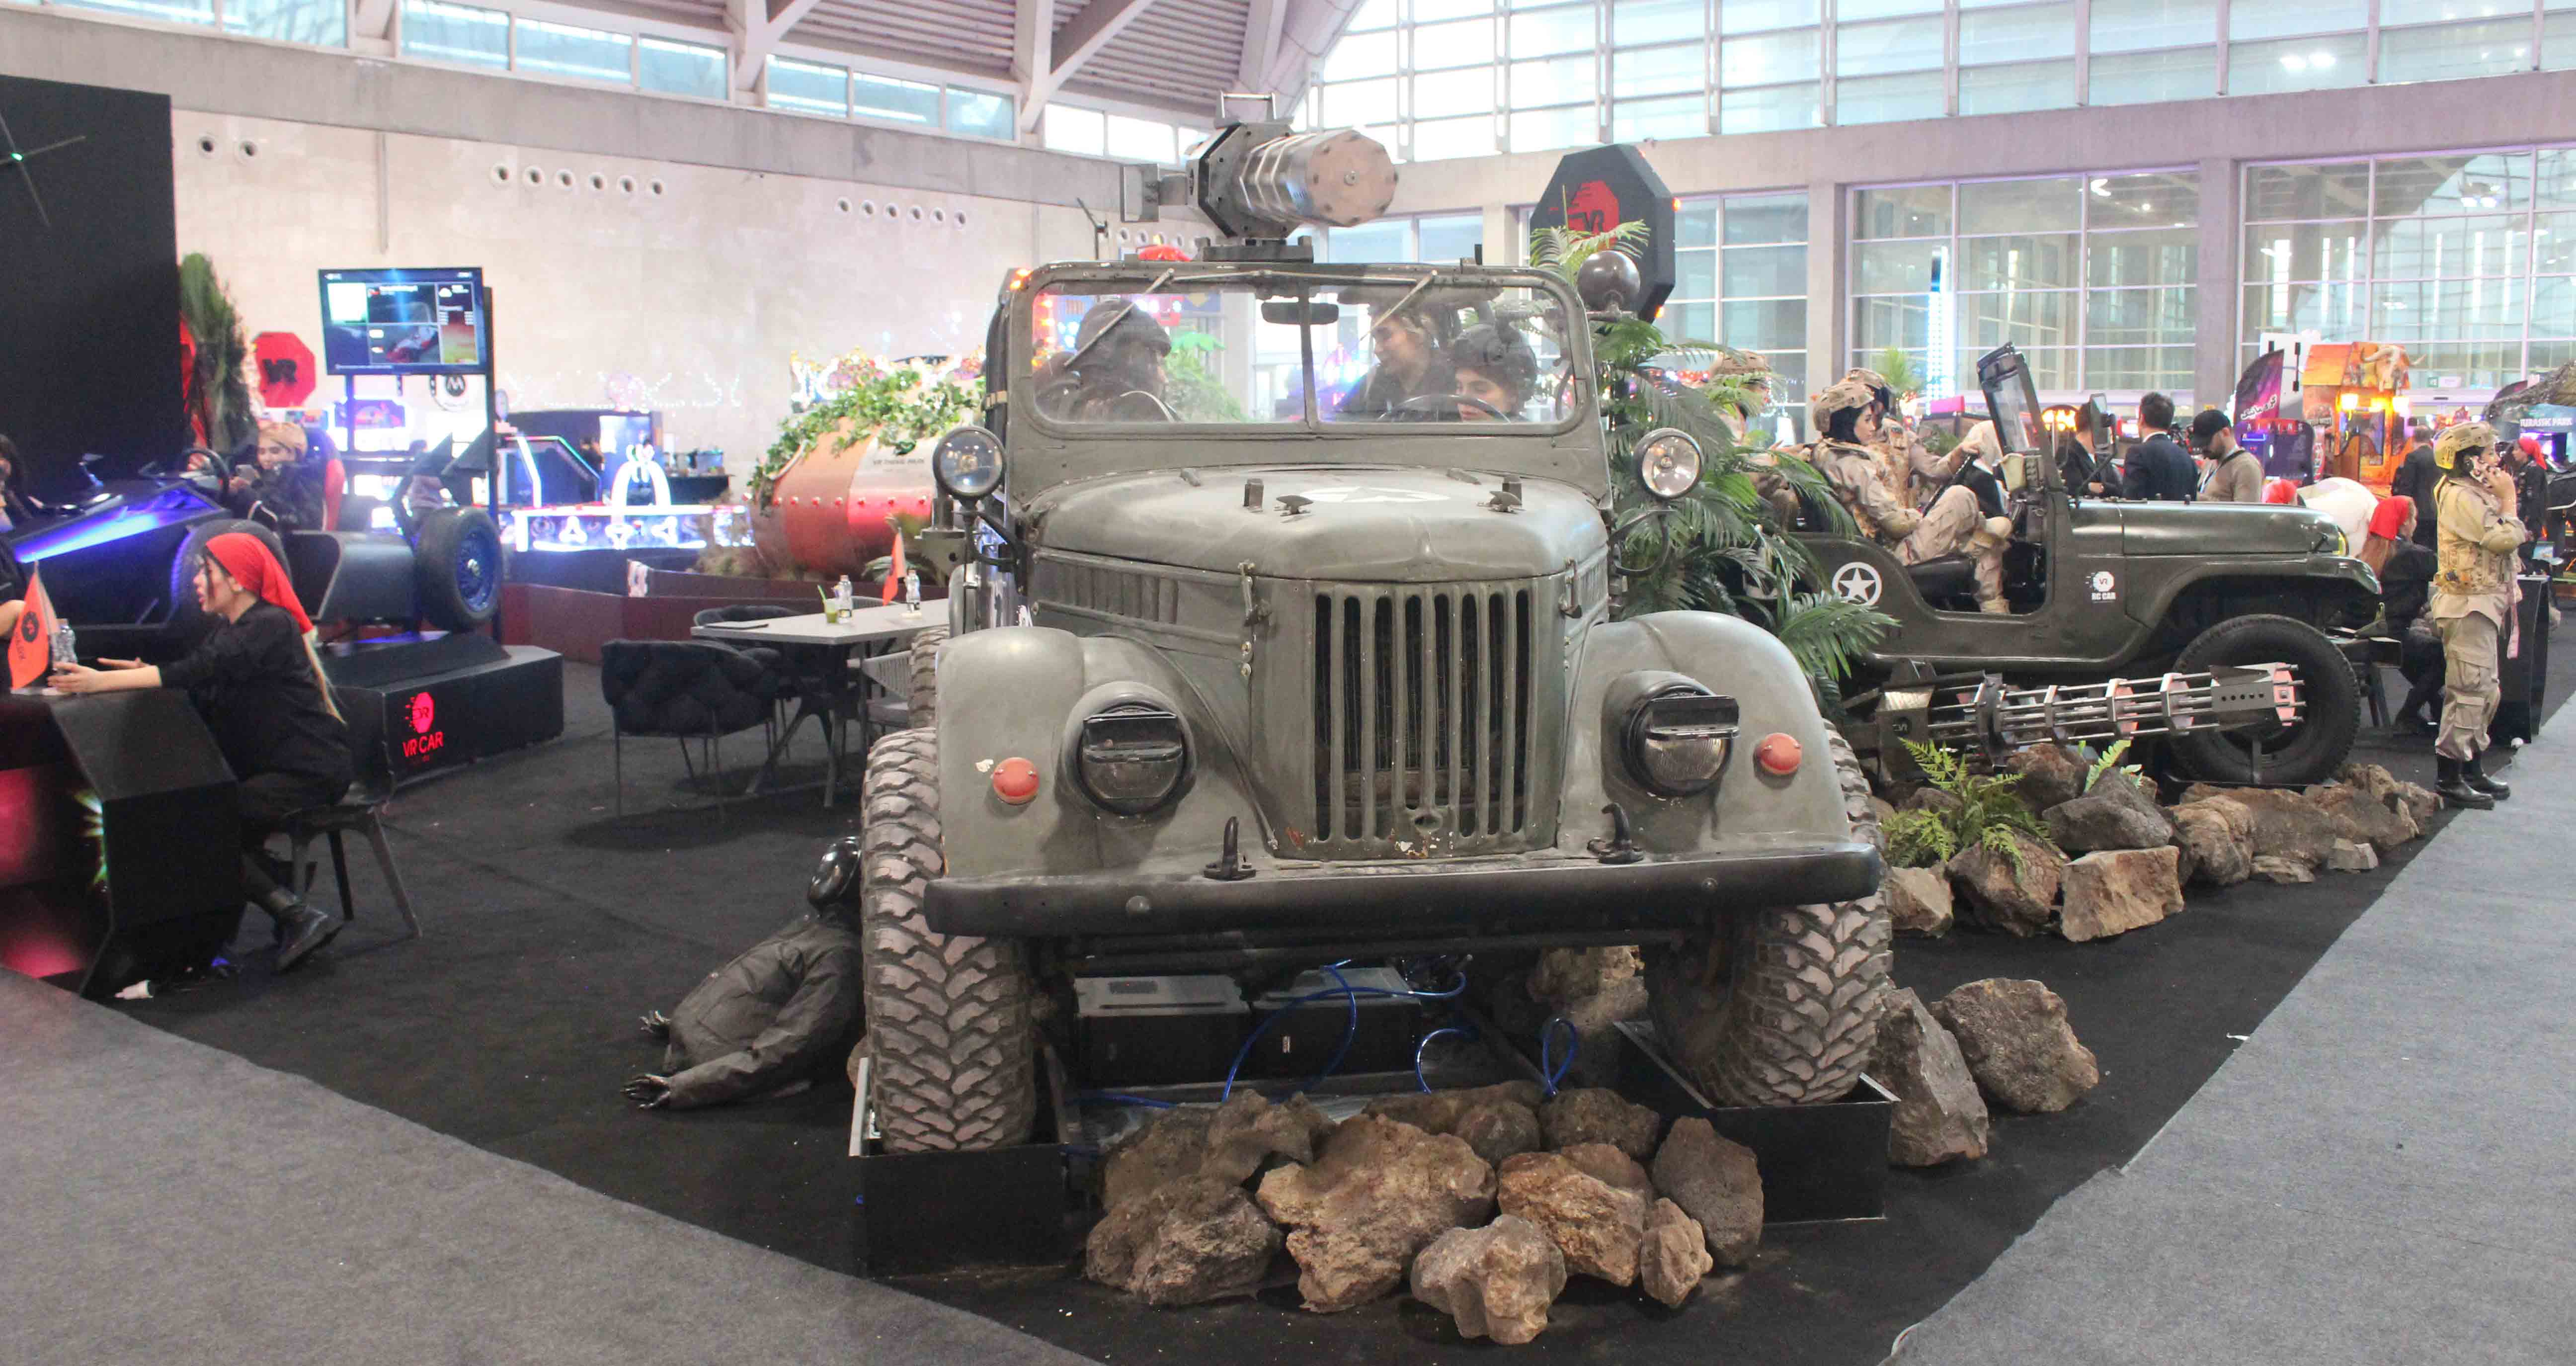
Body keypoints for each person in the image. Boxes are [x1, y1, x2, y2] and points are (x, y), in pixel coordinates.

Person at [49, 533, 352, 969]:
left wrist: (103, 682)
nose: (195, 581)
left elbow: (198, 670)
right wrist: (146, 674)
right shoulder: (234, 631)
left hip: (308, 771)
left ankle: (296, 914)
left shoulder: (270, 625)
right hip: (275, 769)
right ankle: (279, 883)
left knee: (198, 823)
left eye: (205, 571)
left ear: (238, 580)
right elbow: (203, 681)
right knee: (192, 817)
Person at [625, 838, 866, 1110]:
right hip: (703, 1043)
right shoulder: (819, 928)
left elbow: (795, 1043)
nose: (825, 876)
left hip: (715, 1062)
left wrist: (686, 1086)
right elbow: (761, 987)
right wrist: (684, 1023)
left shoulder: (839, 957)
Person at [1809, 375, 2011, 613]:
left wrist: (1957, 455)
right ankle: (1995, 610)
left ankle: (1993, 607)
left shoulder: (1828, 453)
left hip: (1881, 545)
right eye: (1866, 419)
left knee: (1987, 538)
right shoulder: (1853, 463)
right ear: (1847, 422)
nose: (1872, 425)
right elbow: (1896, 524)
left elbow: (1933, 469)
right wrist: (1918, 517)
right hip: (1888, 552)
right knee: (1962, 499)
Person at [2426, 423, 2522, 809]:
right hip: (2467, 606)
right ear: (2468, 461)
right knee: (2467, 692)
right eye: (2488, 454)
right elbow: (2503, 539)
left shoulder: (2473, 493)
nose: (2495, 460)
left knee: (2485, 690)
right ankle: (2449, 778)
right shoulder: (2460, 496)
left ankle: (2471, 768)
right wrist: (2509, 499)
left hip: (2482, 604)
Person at [2364, 497, 2443, 735]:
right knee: (2445, 656)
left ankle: (2435, 707)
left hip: (2372, 635)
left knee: (2419, 653)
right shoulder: (2414, 555)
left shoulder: (2368, 553)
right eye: (2414, 518)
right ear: (2405, 523)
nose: (2416, 523)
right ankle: (2408, 715)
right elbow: (2450, 574)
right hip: (2392, 637)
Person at [1035, 298, 1174, 421]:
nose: (1164, 379)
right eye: (1156, 363)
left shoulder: (1052, 415)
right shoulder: (1145, 416)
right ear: (1132, 359)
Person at [1336, 303, 1454, 421]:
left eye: (1386, 336)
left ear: (1420, 335)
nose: (1377, 350)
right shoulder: (1372, 382)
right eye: (1375, 340)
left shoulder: (1455, 381)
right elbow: (1337, 420)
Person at [226, 422, 326, 532]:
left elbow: (293, 520)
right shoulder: (272, 475)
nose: (267, 458)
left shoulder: (303, 478)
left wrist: (251, 493)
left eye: (275, 451)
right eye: (262, 452)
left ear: (294, 453)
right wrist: (243, 489)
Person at [1448, 324, 1536, 421]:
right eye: (1459, 388)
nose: (1464, 400)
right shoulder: (1443, 428)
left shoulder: (1535, 432)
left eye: (1480, 390)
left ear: (1513, 394)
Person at [2121, 392, 2196, 502]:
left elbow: (2131, 499)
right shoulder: (2186, 458)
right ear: (2169, 423)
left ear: (2142, 418)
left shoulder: (2138, 453)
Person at [2387, 423, 2441, 548]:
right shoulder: (2438, 457)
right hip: (2436, 511)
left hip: (2418, 512)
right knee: (2432, 548)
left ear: (2413, 439)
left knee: (2417, 548)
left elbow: (2406, 486)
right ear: (2429, 439)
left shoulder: (2413, 457)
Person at [2192, 409, 2264, 503]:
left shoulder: (2247, 467)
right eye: (2201, 444)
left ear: (2225, 433)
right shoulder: (2211, 462)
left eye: (2208, 442)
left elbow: (2246, 511)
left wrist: (2198, 498)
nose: (2203, 447)